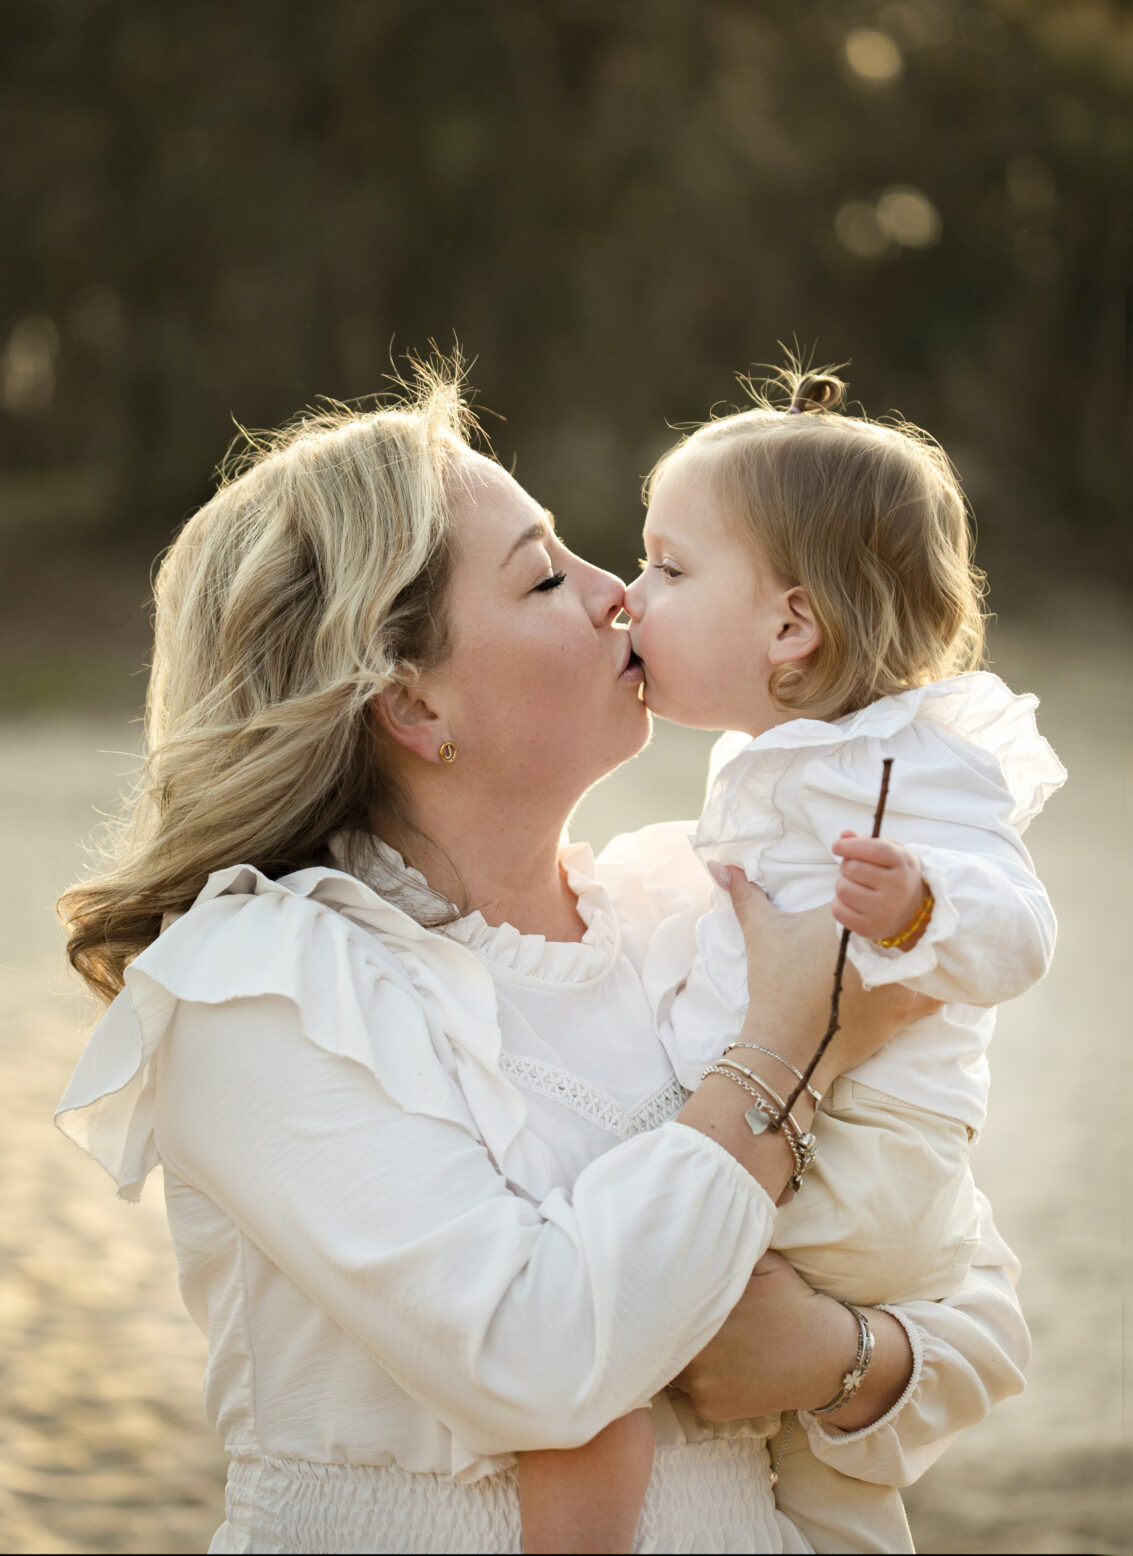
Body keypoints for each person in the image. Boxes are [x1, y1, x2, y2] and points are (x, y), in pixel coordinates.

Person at [55, 369, 1031, 1555]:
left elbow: (965, 1280)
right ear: (411, 703)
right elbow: (535, 1357)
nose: (616, 593)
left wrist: (832, 1357)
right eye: (543, 573)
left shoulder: (687, 899)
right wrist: (788, 1044)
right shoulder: (264, 983)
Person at [518, 367, 1063, 1552]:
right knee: (823, 1486)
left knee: (607, 1328)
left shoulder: (906, 763)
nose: (628, 597)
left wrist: (922, 909)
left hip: (859, 1161)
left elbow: (1019, 929)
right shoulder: (780, 752)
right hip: (825, 1149)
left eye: (666, 568)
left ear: (788, 626)